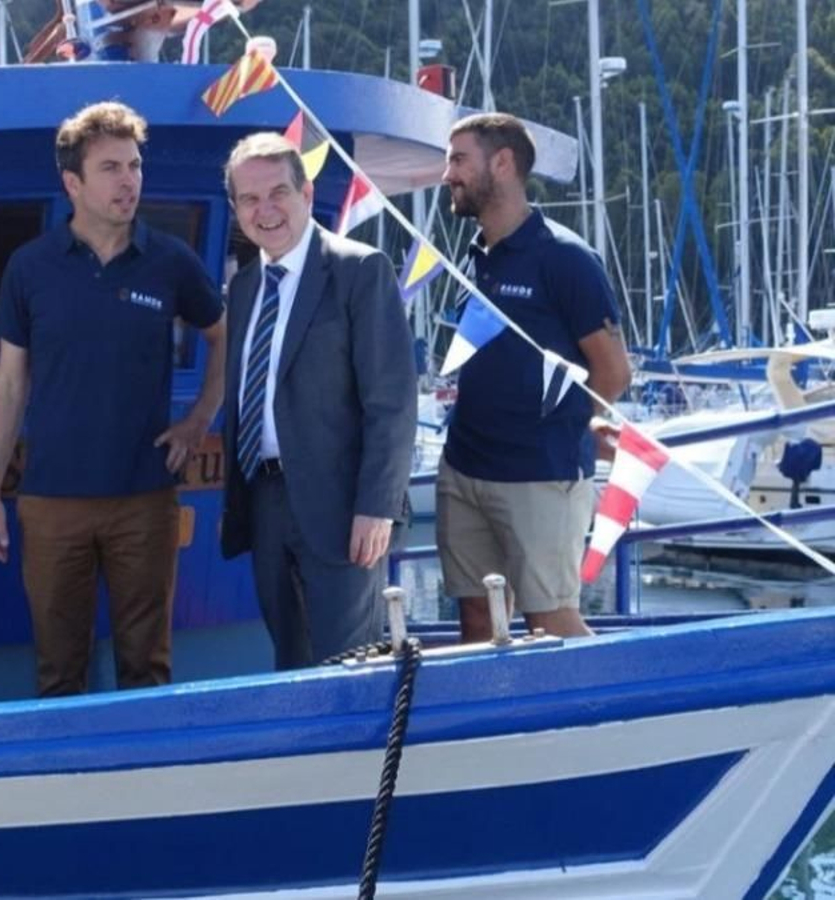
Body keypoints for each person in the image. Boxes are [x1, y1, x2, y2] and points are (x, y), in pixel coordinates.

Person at [0, 101, 227, 697]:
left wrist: (198, 420)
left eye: (135, 165)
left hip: (145, 497)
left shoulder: (169, 261)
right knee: (59, 669)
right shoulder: (30, 268)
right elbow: (10, 384)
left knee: (148, 667)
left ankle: (148, 788)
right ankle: (67, 787)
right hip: (51, 501)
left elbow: (223, 336)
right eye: (111, 167)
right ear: (73, 183)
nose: (129, 181)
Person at [218, 132, 418, 669]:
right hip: (264, 501)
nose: (266, 210)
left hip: (342, 507)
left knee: (349, 664)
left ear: (306, 193)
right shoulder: (244, 288)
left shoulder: (358, 269)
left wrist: (376, 506)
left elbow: (392, 401)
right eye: (249, 199)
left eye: (278, 192)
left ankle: (364, 758)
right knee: (289, 661)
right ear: (235, 208)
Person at [437, 112, 632, 642]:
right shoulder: (477, 256)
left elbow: (613, 371)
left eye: (458, 160)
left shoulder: (565, 258)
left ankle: (606, 720)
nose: (447, 173)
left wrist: (570, 423)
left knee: (550, 622)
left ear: (502, 164)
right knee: (477, 619)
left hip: (540, 475)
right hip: (464, 468)